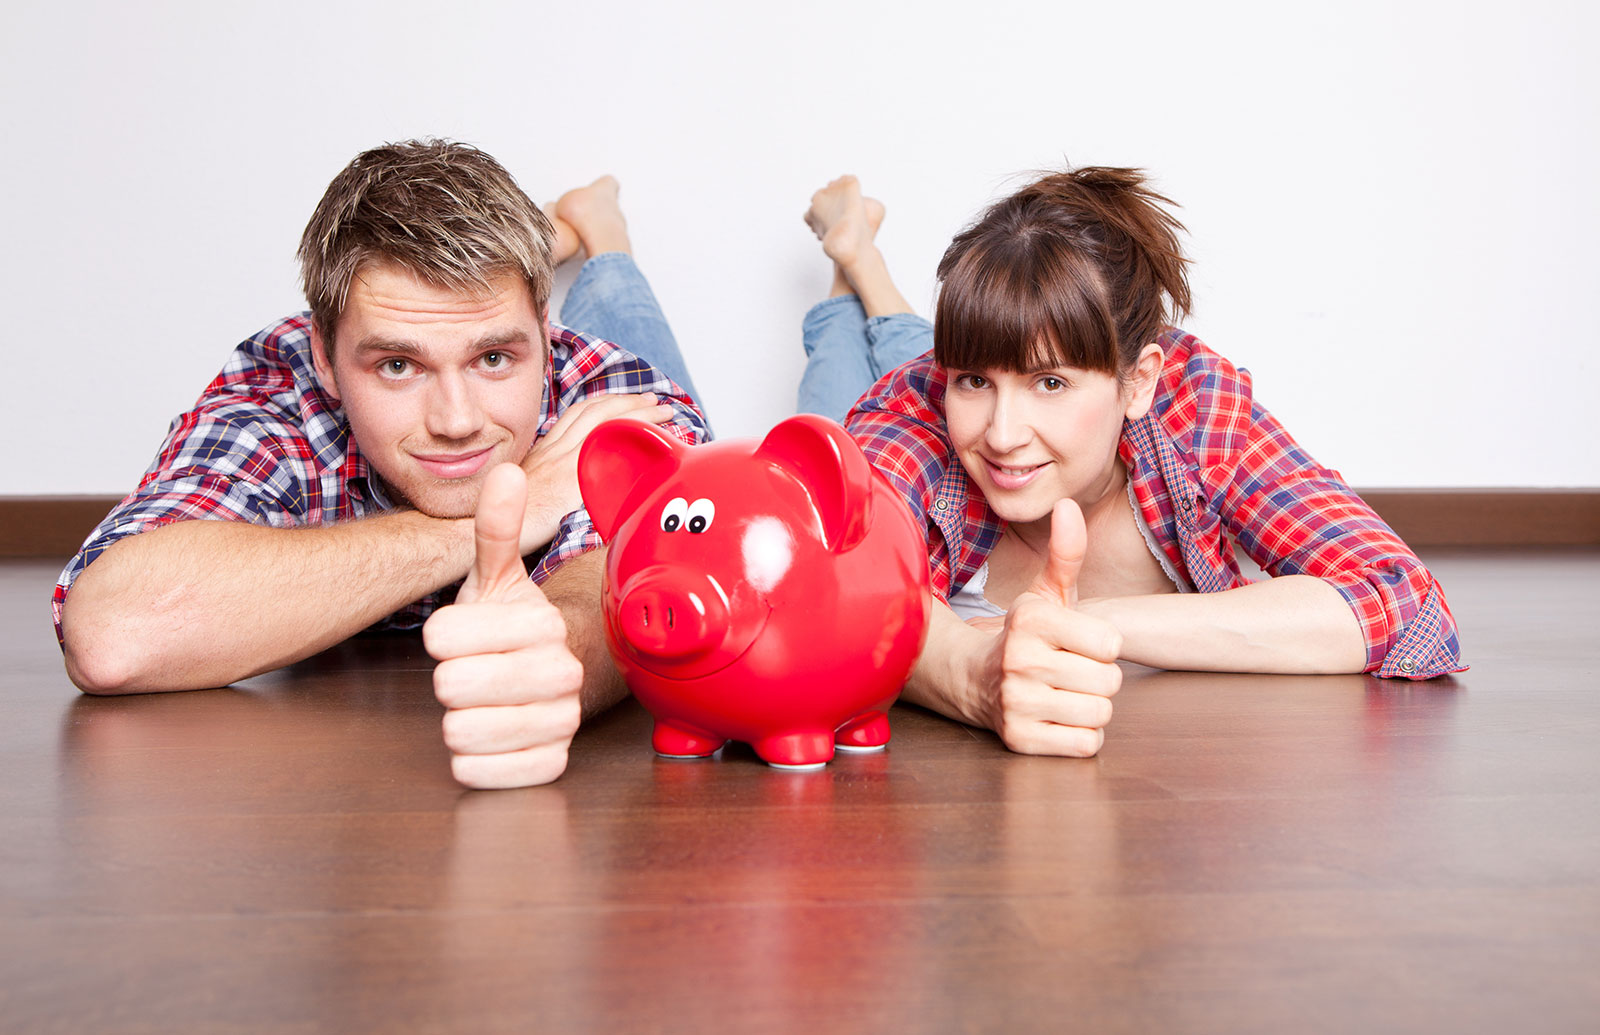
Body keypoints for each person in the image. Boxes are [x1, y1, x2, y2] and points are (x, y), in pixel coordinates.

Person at [54, 139, 710, 789]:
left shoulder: (614, 390)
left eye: (494, 358)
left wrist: (556, 657)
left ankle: (601, 233)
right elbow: (113, 632)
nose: (456, 422)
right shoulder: (278, 389)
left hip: (607, 363)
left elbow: (631, 566)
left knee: (625, 303)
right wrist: (519, 501)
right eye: (398, 365)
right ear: (323, 357)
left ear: (545, 331)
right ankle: (555, 243)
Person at [799, 169, 1463, 759]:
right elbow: (824, 587)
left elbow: (1405, 604)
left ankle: (862, 257)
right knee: (832, 402)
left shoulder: (1192, 404)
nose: (1002, 435)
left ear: (1139, 381)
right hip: (889, 400)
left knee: (941, 354)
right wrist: (977, 674)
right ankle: (855, 264)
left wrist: (1087, 625)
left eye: (1051, 383)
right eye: (971, 380)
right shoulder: (914, 409)